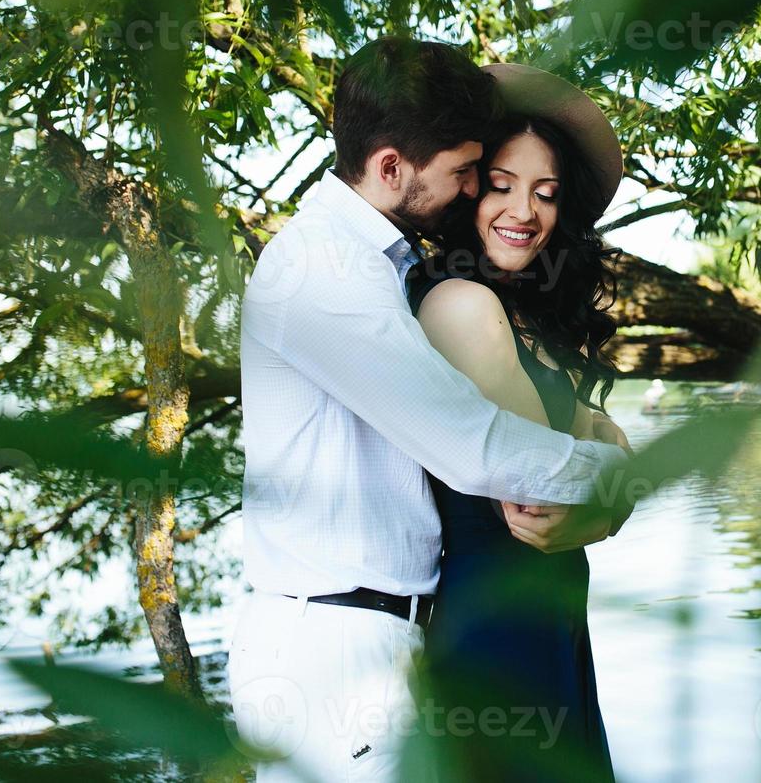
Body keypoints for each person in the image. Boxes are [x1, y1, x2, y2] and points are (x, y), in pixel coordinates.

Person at [229, 39, 628, 783]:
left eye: (542, 191)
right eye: (470, 173)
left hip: (390, 631)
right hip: (335, 647)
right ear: (390, 168)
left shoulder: (385, 270)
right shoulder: (327, 273)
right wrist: (627, 473)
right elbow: (480, 451)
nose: (477, 189)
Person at [402, 62, 629, 783]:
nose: (523, 210)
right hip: (495, 635)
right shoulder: (460, 306)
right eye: (501, 184)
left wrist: (612, 483)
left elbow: (607, 455)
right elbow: (549, 489)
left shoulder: (525, 319)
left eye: (547, 193)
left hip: (555, 620)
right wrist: (613, 489)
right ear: (467, 190)